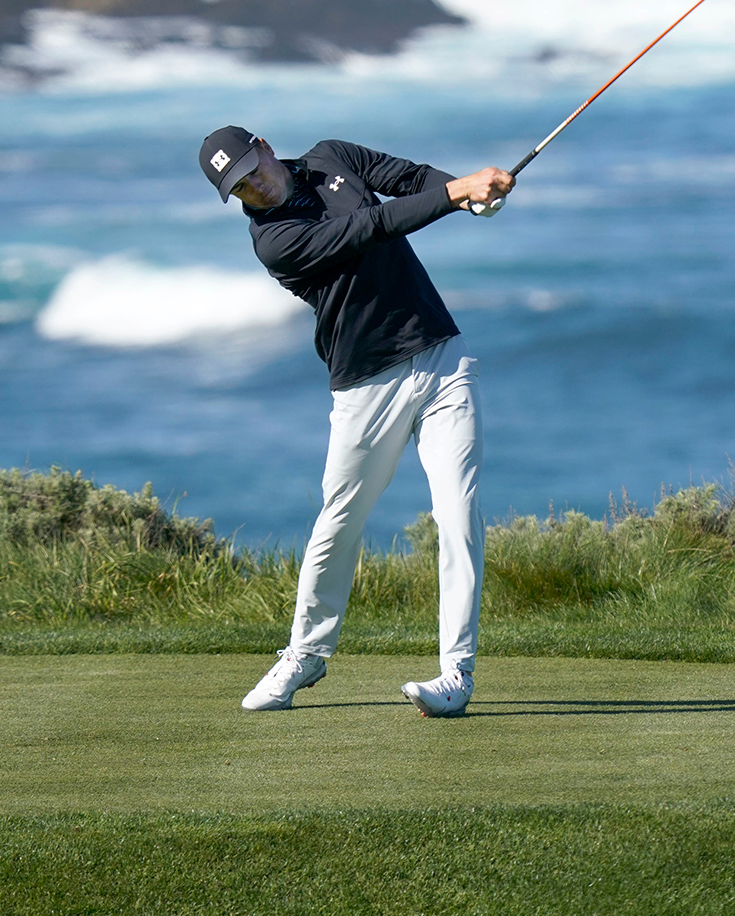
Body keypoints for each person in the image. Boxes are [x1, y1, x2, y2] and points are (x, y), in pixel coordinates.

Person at [198, 126, 514, 717]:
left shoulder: (332, 157)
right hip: (367, 384)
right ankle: (306, 653)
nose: (255, 187)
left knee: (457, 512)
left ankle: (457, 674)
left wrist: (468, 194)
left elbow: (411, 180)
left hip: (442, 356)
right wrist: (456, 194)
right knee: (339, 520)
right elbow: (369, 228)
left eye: (253, 168)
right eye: (239, 186)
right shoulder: (274, 240)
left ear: (265, 146)